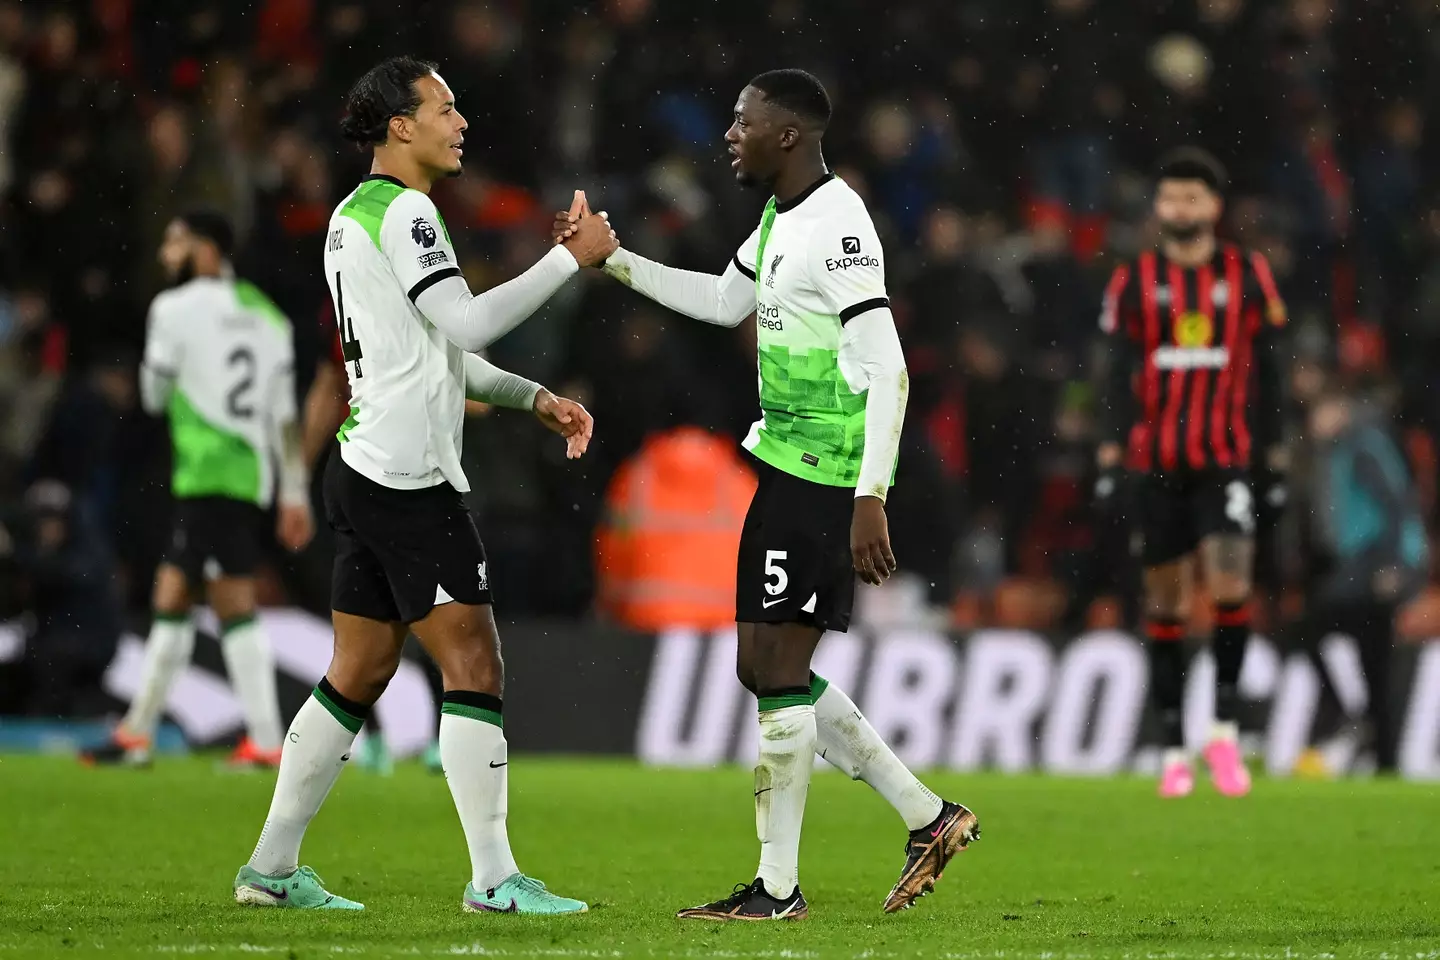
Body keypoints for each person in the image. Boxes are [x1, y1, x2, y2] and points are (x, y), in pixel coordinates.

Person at [555, 68, 977, 921]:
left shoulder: (841, 227)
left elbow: (888, 369)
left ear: (788, 135)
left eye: (742, 122)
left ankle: (778, 889)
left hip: (827, 477)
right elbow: (721, 301)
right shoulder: (780, 217)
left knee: (778, 672)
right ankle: (928, 817)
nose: (729, 135)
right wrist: (614, 263)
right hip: (783, 464)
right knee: (761, 667)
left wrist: (870, 496)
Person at [232, 56, 612, 914]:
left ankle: (270, 867)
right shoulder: (408, 213)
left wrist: (532, 398)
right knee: (474, 660)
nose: (461, 121)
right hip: (406, 476)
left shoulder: (352, 215)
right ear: (400, 126)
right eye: (445, 107)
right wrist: (568, 261)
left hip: (360, 462)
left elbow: (438, 352)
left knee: (359, 667)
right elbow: (469, 321)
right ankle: (493, 881)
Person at [82, 210, 313, 769]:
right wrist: (293, 493)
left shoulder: (172, 309)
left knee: (230, 600)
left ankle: (262, 739)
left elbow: (155, 396)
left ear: (207, 251)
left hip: (206, 470)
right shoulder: (269, 317)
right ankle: (137, 732)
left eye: (176, 242)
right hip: (249, 476)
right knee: (175, 594)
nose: (166, 254)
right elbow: (284, 418)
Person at [1093, 148, 1289, 798]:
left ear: (1214, 207)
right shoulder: (1133, 280)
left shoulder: (1248, 275)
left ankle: (1225, 735)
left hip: (1225, 459)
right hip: (1155, 463)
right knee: (1167, 602)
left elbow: (1273, 372)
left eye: (1193, 198)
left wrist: (1277, 454)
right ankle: (1175, 746)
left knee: (1232, 585)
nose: (1181, 208)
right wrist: (1111, 451)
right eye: (1172, 197)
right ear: (1159, 207)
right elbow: (1112, 374)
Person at [1298, 386, 1427, 774]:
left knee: (1308, 630)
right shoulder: (1345, 446)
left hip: (1374, 563)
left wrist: (1394, 566)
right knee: (1375, 661)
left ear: (1338, 407)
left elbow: (1396, 503)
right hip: (1362, 563)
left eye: (1316, 413)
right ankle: (1384, 757)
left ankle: (1344, 712)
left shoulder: (1364, 444)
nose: (1311, 424)